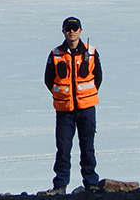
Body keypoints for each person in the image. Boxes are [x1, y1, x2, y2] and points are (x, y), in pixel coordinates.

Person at [44, 16, 103, 195]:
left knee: (87, 146)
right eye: (68, 28)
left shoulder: (91, 52)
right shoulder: (55, 54)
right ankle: (60, 185)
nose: (72, 31)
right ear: (63, 31)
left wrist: (85, 96)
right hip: (64, 110)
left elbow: (98, 77)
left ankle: (91, 183)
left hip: (87, 108)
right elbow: (48, 80)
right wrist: (63, 96)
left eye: (75, 28)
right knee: (63, 149)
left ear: (80, 31)